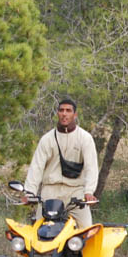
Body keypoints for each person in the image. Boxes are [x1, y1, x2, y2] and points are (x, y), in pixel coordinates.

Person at [24, 98, 98, 228]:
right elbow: (36, 167)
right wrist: (29, 193)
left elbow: (91, 167)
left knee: (87, 230)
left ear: (75, 115)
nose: (64, 114)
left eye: (68, 111)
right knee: (38, 231)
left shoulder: (85, 138)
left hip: (76, 193)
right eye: (61, 110)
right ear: (57, 113)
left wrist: (89, 192)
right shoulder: (47, 139)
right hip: (50, 192)